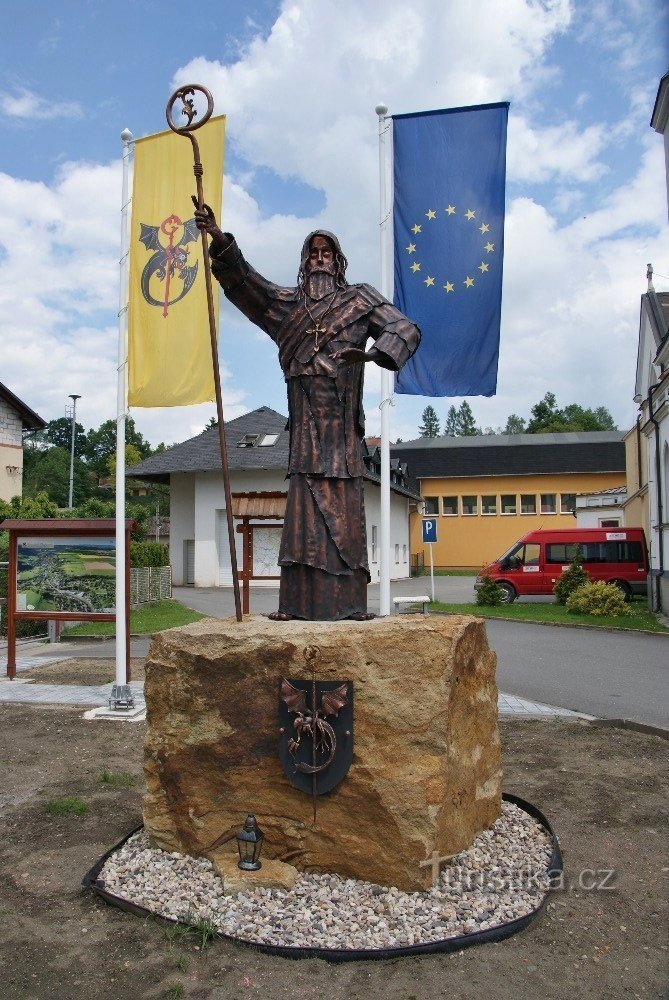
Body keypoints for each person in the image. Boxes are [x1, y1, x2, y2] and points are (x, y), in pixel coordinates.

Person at [194, 202, 421, 621]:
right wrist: (219, 240)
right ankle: (296, 605)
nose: (320, 259)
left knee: (346, 513)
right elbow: (248, 285)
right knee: (302, 518)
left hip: (342, 437)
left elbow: (405, 328)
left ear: (338, 262)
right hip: (304, 437)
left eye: (327, 253)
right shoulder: (288, 306)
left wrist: (373, 354)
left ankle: (351, 605)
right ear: (305, 262)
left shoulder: (361, 299)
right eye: (313, 253)